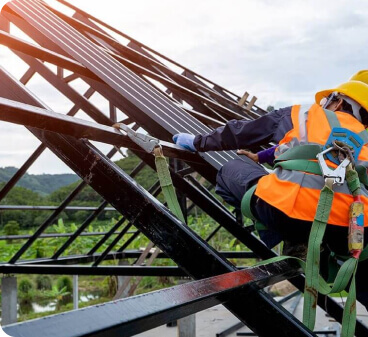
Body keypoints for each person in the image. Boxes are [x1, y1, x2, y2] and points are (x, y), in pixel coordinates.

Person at [173, 80, 368, 309]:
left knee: (231, 170)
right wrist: (262, 157)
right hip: (348, 231)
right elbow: (321, 150)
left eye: (327, 101)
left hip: (285, 213)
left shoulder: (303, 114)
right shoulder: (363, 141)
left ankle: (295, 240)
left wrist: (198, 142)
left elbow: (242, 132)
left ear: (339, 101)